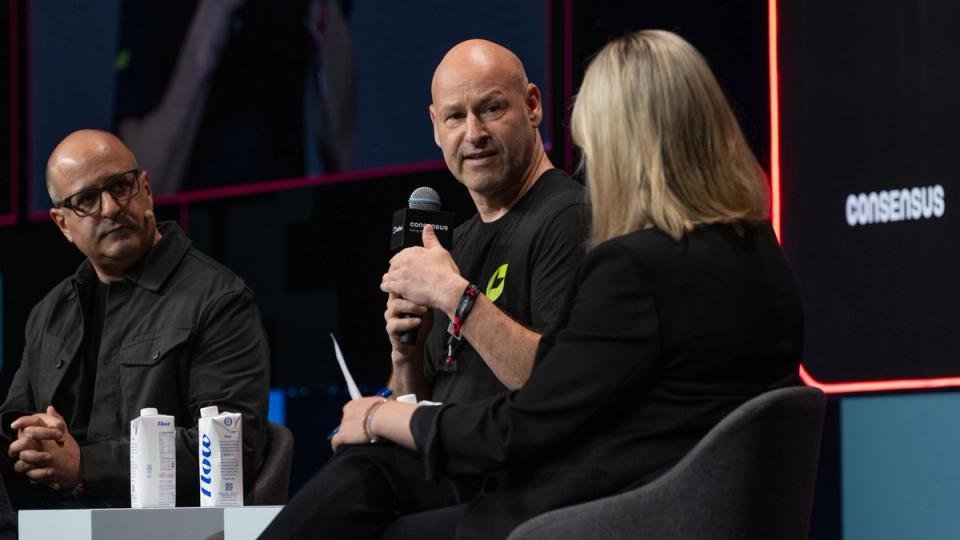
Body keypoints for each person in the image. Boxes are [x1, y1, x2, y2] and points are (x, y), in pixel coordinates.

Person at [331, 30, 804, 539]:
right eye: (454, 116)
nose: (587, 156)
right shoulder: (761, 251)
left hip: (603, 517)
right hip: (692, 514)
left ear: (624, 143)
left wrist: (381, 415)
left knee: (367, 492)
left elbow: (522, 428)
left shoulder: (631, 265)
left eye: (592, 135)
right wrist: (405, 360)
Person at [259, 39, 586, 538]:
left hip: (513, 478)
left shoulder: (566, 216)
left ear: (533, 105)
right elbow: (424, 398)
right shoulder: (458, 243)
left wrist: (456, 296)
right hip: (447, 464)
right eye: (455, 117)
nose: (473, 134)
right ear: (435, 126)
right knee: (362, 470)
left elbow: (555, 384)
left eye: (492, 109)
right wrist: (406, 354)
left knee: (364, 474)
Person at [0, 130, 271, 513]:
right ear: (62, 224)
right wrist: (31, 441)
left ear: (145, 188)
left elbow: (232, 453)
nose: (110, 208)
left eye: (119, 186)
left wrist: (84, 466)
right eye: (87, 200)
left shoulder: (219, 300)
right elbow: (15, 419)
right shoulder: (49, 312)